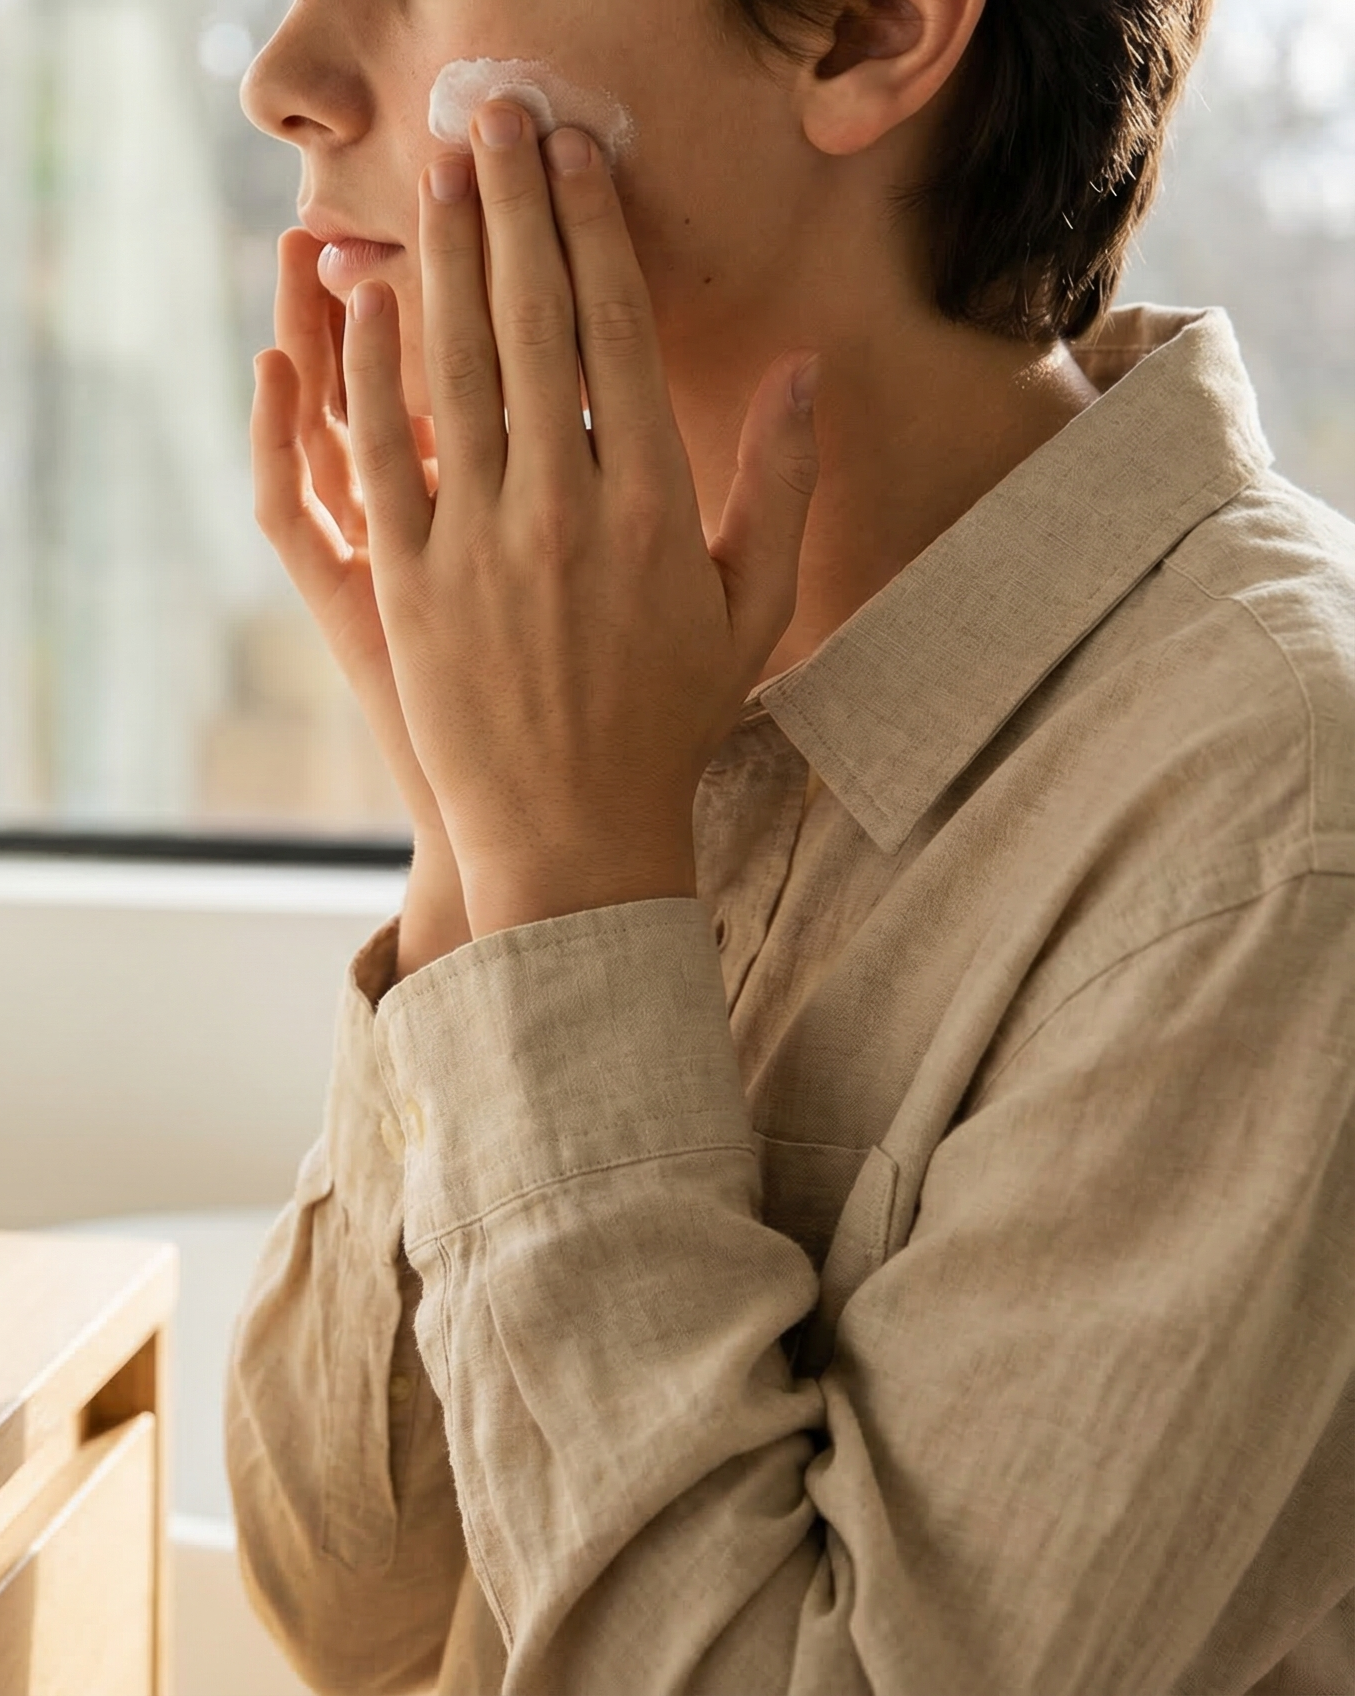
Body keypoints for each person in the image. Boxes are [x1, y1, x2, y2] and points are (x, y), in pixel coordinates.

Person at [225, 0, 1355, 1688]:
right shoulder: (619, 690)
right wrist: (480, 846)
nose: (283, 82)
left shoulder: (1276, 831)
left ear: (868, 32)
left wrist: (565, 896)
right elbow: (360, 1617)